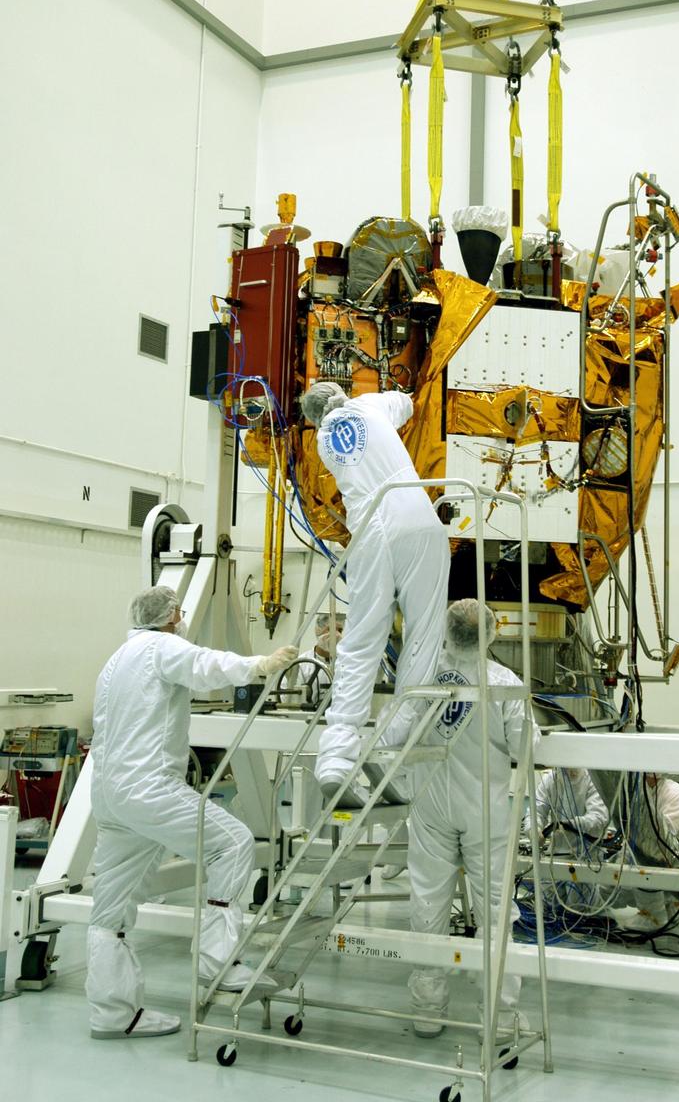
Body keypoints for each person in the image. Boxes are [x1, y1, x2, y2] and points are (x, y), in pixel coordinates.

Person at [86, 585, 297, 1040]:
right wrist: (258, 665)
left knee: (111, 911)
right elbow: (205, 665)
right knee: (234, 843)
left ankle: (113, 1014)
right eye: (178, 614)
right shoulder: (162, 647)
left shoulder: (116, 660)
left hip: (109, 792)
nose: (181, 619)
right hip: (149, 788)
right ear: (170, 616)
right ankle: (219, 962)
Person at [383, 599, 540, 1041]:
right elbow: (528, 746)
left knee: (428, 905)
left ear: (446, 631)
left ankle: (427, 1010)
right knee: (495, 911)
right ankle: (501, 1018)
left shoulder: (422, 676)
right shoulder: (503, 682)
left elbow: (391, 733)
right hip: (485, 808)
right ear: (491, 633)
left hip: (431, 805)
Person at [299, 382, 450, 800]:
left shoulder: (324, 442)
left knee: (361, 640)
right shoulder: (369, 404)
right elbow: (407, 404)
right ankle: (388, 748)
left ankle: (336, 754)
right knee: (422, 636)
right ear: (342, 393)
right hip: (413, 517)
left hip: (366, 529)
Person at [625, 772, 679, 931]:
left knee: (636, 860)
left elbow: (662, 839)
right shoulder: (642, 790)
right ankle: (668, 905)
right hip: (670, 858)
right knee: (628, 859)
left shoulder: (674, 793)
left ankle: (652, 915)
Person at [527, 766, 609, 854]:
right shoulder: (550, 779)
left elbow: (598, 817)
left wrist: (571, 825)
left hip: (588, 856)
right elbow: (536, 812)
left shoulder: (593, 780)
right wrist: (533, 830)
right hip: (556, 854)